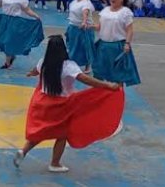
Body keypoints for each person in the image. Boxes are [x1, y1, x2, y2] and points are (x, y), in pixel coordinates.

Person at [13, 35, 124, 174]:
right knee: (61, 134)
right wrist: (107, 85)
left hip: (42, 102)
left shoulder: (43, 62)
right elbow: (87, 80)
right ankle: (54, 163)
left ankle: (23, 152)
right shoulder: (68, 66)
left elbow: (35, 70)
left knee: (41, 132)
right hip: (61, 104)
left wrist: (31, 73)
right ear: (63, 48)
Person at [92, 0, 139, 86]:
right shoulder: (105, 10)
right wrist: (89, 26)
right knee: (99, 72)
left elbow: (129, 30)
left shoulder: (125, 12)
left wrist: (127, 43)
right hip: (103, 46)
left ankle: (117, 97)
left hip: (117, 47)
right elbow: (99, 27)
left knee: (118, 75)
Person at [64, 0, 96, 72]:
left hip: (84, 28)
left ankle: (87, 66)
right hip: (73, 26)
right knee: (72, 46)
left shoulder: (87, 3)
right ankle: (72, 64)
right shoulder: (74, 1)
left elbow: (85, 12)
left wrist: (84, 22)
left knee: (85, 47)